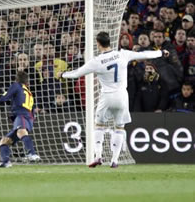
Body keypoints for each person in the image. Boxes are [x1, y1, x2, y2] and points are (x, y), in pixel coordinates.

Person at [58, 32, 169, 168]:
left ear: (98, 44)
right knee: (119, 127)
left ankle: (98, 156)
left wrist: (62, 74)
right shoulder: (123, 54)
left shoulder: (96, 61)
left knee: (99, 125)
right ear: (110, 42)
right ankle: (114, 160)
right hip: (122, 96)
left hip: (106, 97)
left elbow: (77, 73)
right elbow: (144, 54)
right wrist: (161, 53)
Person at [0, 71, 40, 168]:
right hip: (28, 117)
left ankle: (32, 154)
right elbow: (33, 108)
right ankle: (6, 162)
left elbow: (5, 97)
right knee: (3, 142)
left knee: (21, 132)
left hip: (21, 115)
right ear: (27, 82)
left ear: (16, 79)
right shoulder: (28, 91)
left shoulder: (16, 85)